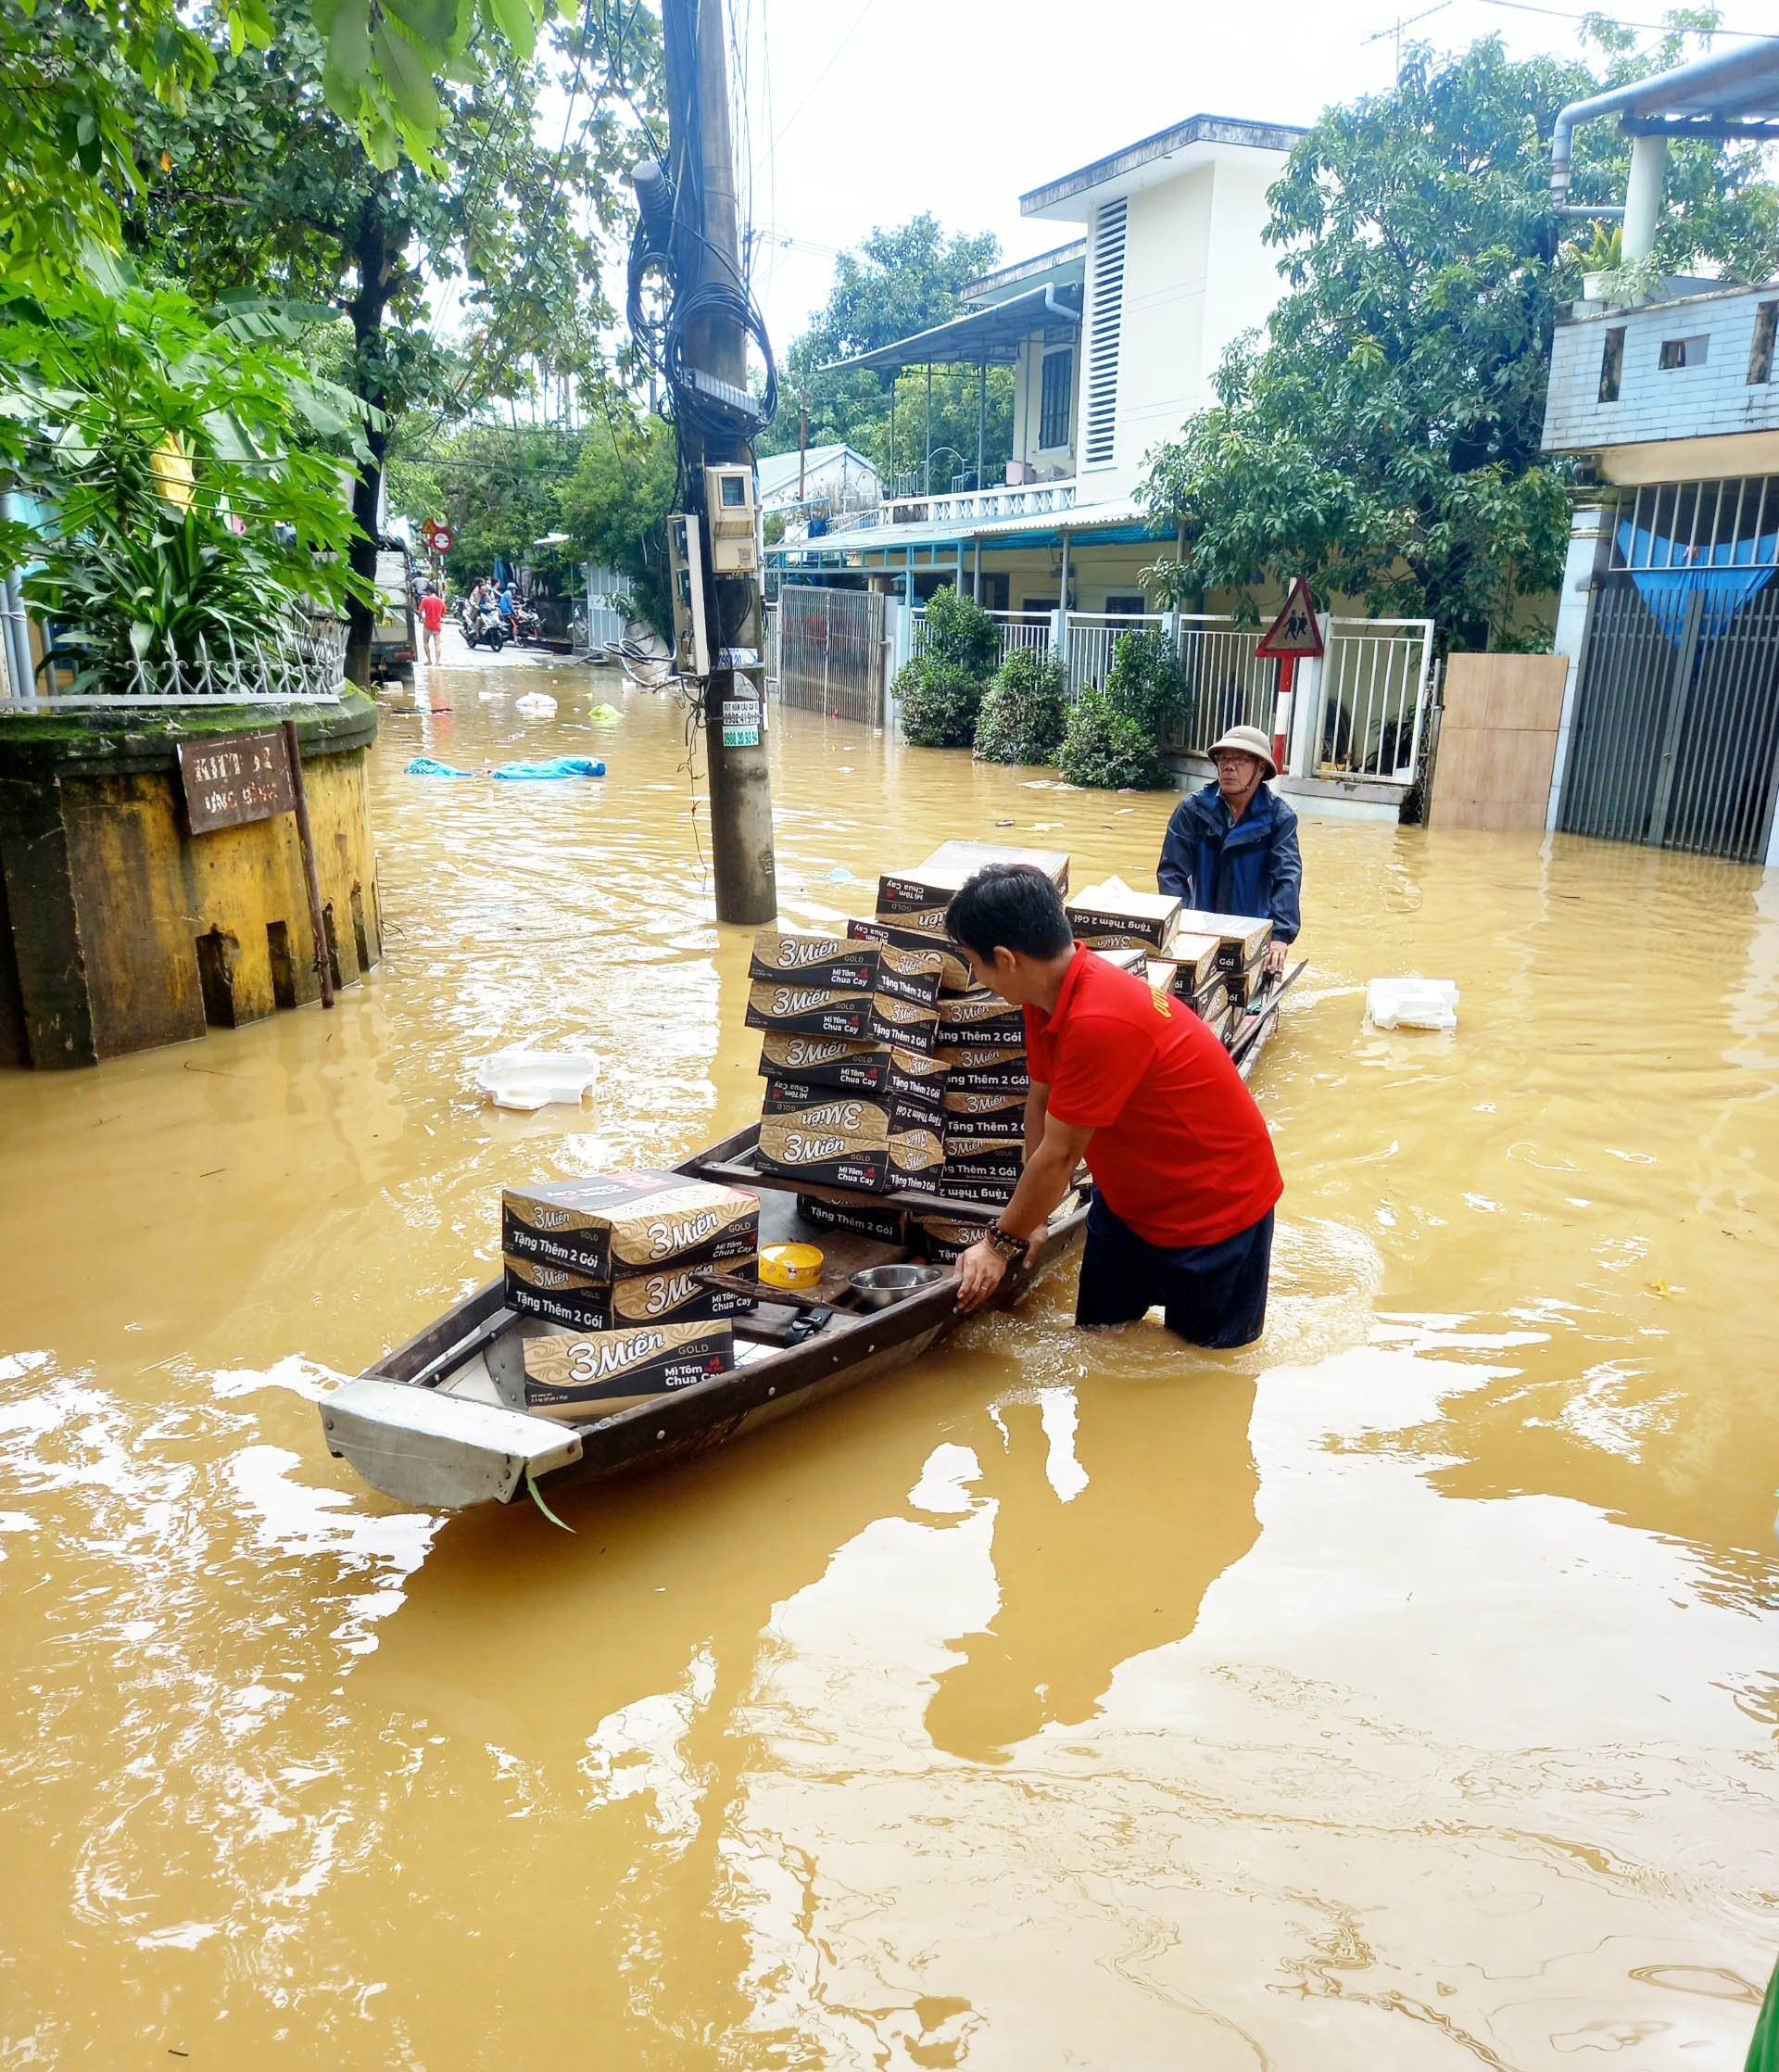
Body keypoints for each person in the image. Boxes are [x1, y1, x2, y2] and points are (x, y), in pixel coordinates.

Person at [949, 865, 1282, 1346]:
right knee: (1096, 1343)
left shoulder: (1099, 1019)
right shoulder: (1044, 997)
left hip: (1218, 1211)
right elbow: (1040, 1104)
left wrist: (999, 1245)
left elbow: (1062, 1156)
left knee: (1200, 1373)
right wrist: (1033, 1221)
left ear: (1006, 958)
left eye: (974, 964)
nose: (977, 978)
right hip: (1130, 1204)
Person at [1156, 724, 1301, 981]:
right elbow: (1171, 873)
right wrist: (1181, 923)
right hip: (1200, 928)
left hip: (1253, 934)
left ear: (1260, 768)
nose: (1228, 766)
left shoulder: (1279, 817)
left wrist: (1280, 937)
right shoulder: (1193, 809)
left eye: (1240, 759)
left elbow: (1287, 878)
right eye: (1224, 758)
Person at [418, 583, 448, 666]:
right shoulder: (441, 601)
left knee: (425, 643)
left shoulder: (425, 600)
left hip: (427, 625)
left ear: (429, 591)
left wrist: (422, 618)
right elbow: (443, 614)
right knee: (437, 644)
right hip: (437, 626)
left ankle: (429, 660)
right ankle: (437, 662)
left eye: (427, 592)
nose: (427, 593)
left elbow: (420, 611)